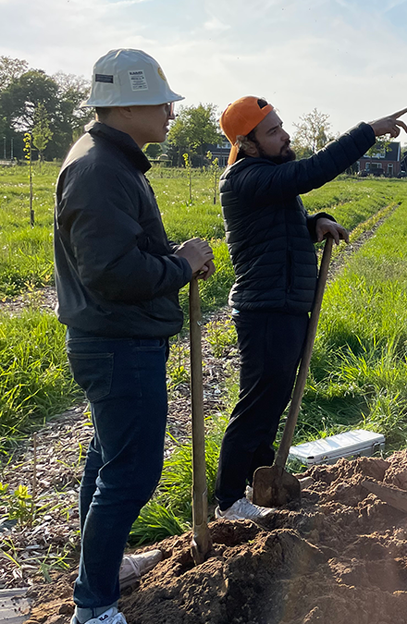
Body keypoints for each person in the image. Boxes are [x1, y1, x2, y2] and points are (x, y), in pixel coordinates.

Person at [55, 49, 215, 624]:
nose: (172, 112)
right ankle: (94, 605)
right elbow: (115, 274)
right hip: (118, 343)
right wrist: (179, 266)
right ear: (125, 105)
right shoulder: (100, 170)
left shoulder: (111, 160)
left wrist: (176, 259)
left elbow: (119, 255)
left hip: (115, 336)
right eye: (162, 101)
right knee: (133, 471)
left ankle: (102, 568)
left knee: (108, 457)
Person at [213, 96, 407, 520]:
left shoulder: (268, 174)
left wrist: (313, 222)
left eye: (281, 126)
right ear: (247, 144)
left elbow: (279, 224)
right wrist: (367, 133)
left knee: (271, 403)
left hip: (284, 305)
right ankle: (228, 501)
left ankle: (254, 485)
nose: (285, 135)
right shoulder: (243, 177)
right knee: (257, 405)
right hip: (265, 309)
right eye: (273, 131)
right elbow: (310, 173)